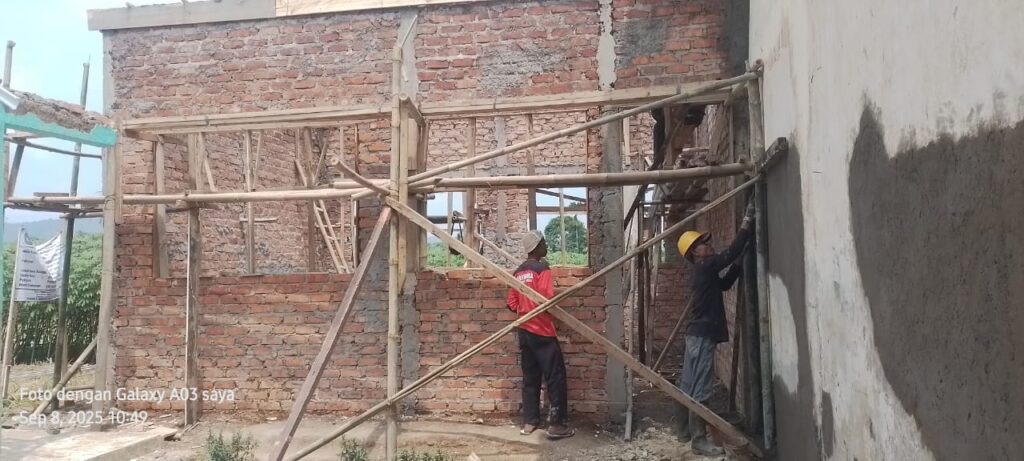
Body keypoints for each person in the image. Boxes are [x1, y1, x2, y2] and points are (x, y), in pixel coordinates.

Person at [674, 201, 755, 456]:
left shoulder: (704, 272)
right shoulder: (706, 266)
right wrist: (746, 223)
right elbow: (730, 252)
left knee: (689, 385)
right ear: (695, 253)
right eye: (703, 244)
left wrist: (739, 263)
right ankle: (699, 441)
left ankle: (684, 432)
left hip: (696, 335)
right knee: (701, 388)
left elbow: (725, 284)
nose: (708, 245)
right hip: (702, 336)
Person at [505, 230, 574, 440]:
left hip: (525, 333)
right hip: (543, 332)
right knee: (555, 377)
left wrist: (525, 308)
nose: (547, 246)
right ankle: (557, 425)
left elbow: (511, 303)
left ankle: (530, 422)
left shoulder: (518, 272)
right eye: (544, 243)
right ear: (536, 247)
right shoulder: (542, 269)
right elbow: (547, 299)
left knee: (530, 378)